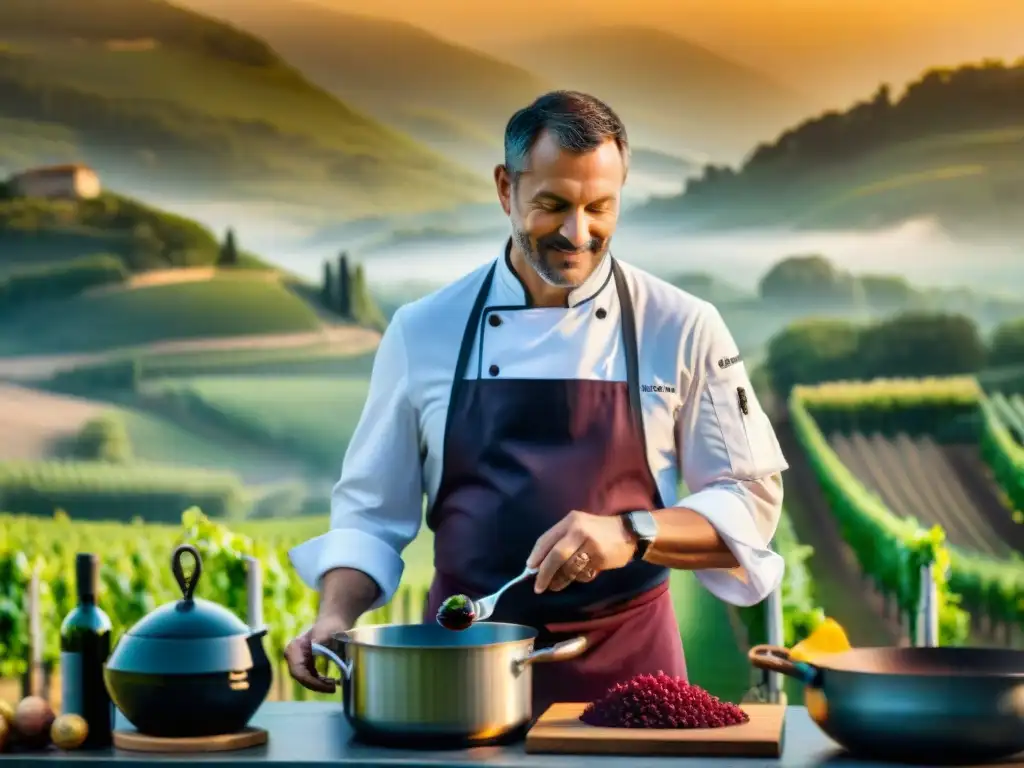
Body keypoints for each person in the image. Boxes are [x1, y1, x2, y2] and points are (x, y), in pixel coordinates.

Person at [285, 90, 789, 714]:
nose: (579, 233)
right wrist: (335, 614)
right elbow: (369, 515)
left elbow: (751, 501)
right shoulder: (424, 331)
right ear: (505, 189)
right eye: (553, 205)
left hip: (632, 676)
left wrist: (634, 532)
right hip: (462, 671)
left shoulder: (683, 325)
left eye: (600, 207)